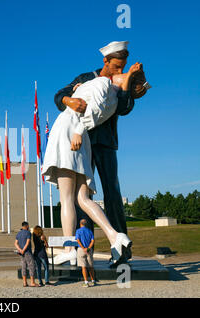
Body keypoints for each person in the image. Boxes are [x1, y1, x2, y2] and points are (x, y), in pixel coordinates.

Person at [42, 53, 149, 267]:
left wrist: (129, 81)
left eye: (123, 68)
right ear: (105, 62)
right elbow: (60, 96)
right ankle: (86, 249)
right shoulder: (87, 78)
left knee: (111, 192)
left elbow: (125, 107)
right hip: (82, 143)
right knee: (83, 197)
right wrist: (68, 100)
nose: (120, 71)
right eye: (117, 67)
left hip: (102, 143)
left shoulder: (118, 84)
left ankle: (119, 250)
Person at [15, 221, 38, 287]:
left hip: (21, 253)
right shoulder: (28, 233)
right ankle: (32, 282)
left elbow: (15, 243)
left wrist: (20, 250)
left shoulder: (18, 233)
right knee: (31, 266)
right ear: (27, 226)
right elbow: (28, 242)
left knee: (23, 267)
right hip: (27, 252)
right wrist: (23, 250)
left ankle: (25, 282)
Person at [76, 219, 96, 288]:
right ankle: (93, 281)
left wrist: (83, 248)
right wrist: (88, 248)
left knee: (83, 266)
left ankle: (86, 282)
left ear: (80, 224)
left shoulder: (78, 231)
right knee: (91, 266)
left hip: (81, 250)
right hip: (89, 250)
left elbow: (78, 240)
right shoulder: (89, 231)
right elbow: (92, 241)